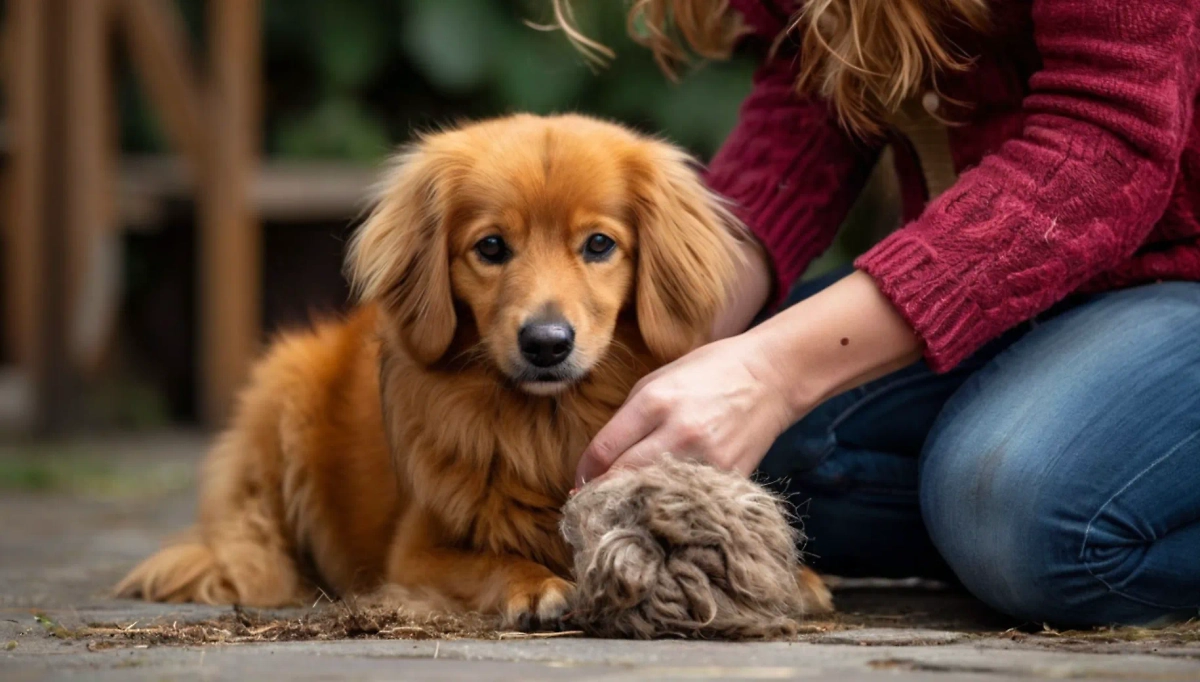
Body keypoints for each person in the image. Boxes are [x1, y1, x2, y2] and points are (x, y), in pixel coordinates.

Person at [555, 0, 1200, 626]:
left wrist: (769, 373)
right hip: (1010, 292)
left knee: (1019, 508)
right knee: (739, 454)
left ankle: (1025, 528)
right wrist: (677, 339)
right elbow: (813, 96)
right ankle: (1005, 525)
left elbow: (1104, 141)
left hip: (1176, 275)